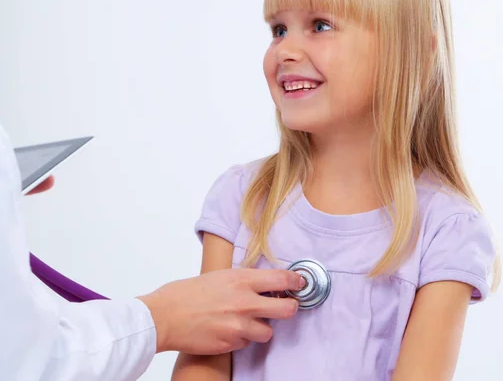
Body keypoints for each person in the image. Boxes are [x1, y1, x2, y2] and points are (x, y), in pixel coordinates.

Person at [171, 0, 501, 380]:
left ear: (412, 50)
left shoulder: (446, 228)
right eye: (278, 30)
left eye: (320, 25)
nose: (286, 50)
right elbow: (201, 366)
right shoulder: (240, 197)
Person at [0, 123, 306, 381]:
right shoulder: (243, 191)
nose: (288, 52)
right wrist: (162, 318)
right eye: (274, 45)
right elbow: (29, 361)